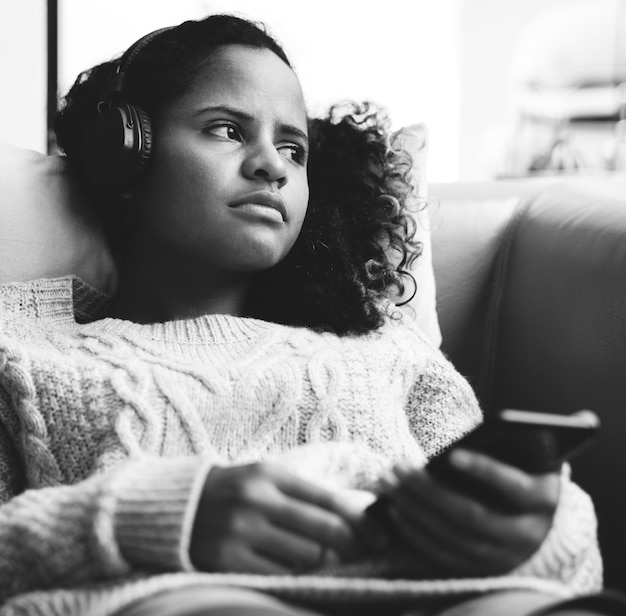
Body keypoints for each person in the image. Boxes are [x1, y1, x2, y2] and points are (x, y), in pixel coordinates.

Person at [0, 12, 621, 616]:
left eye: (293, 149)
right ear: (125, 153)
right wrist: (154, 519)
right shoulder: (26, 353)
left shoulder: (387, 352)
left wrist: (534, 536)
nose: (272, 164)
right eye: (227, 129)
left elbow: (572, 561)